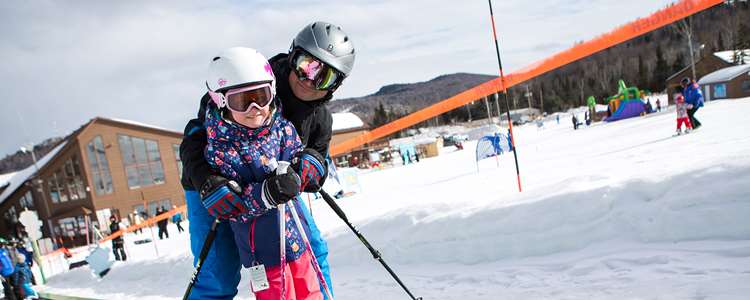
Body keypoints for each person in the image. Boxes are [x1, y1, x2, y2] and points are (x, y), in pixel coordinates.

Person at [180, 21, 354, 300]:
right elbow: (195, 134)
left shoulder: (320, 120)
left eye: (324, 77)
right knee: (217, 274)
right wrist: (205, 180)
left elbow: (319, 162)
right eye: (306, 64)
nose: (309, 80)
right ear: (292, 54)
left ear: (335, 86)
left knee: (312, 252)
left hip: (276, 190)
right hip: (219, 187)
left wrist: (311, 165)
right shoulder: (250, 76)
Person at [203, 47, 326, 299]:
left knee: (311, 292)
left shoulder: (281, 128)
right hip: (264, 255)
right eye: (242, 100)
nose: (255, 107)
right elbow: (235, 206)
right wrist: (265, 194)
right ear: (222, 101)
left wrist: (307, 165)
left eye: (261, 95)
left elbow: (298, 158)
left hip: (296, 241)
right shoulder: (222, 151)